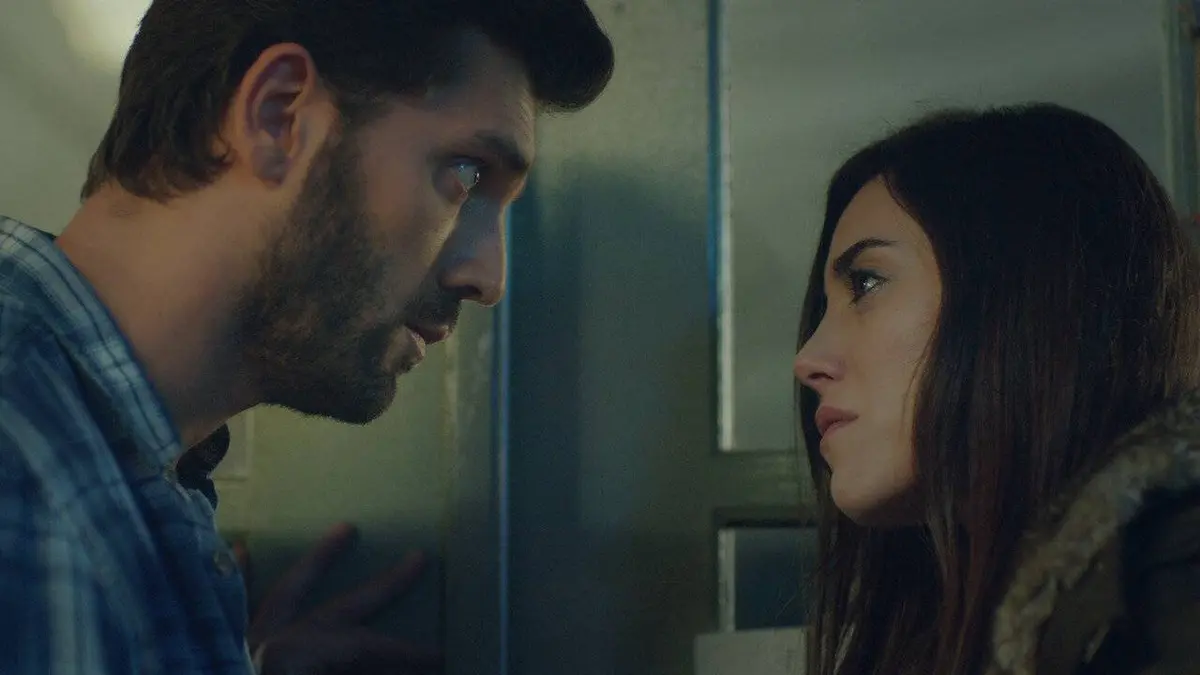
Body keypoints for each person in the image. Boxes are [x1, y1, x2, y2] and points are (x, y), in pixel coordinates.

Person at [0, 0, 614, 672]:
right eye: (466, 175)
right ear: (279, 116)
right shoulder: (20, 469)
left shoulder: (93, 463)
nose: (486, 278)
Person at [793, 103, 1200, 675]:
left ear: (1026, 295)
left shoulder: (1173, 585)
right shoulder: (943, 630)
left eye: (866, 283)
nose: (807, 360)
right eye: (824, 308)